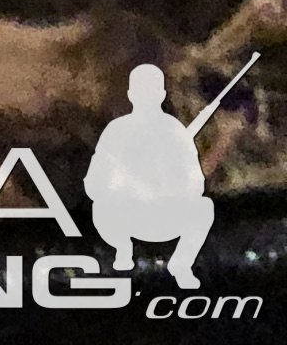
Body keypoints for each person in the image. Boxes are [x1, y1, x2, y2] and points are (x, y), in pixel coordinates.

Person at [88, 63, 215, 288]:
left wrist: (170, 188)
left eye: (152, 90)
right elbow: (94, 184)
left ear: (162, 94)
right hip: (125, 216)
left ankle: (181, 264)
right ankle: (123, 250)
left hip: (166, 214)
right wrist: (121, 186)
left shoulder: (175, 131)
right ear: (131, 95)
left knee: (204, 208)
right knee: (100, 208)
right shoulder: (116, 131)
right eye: (141, 90)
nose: (146, 96)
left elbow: (197, 183)